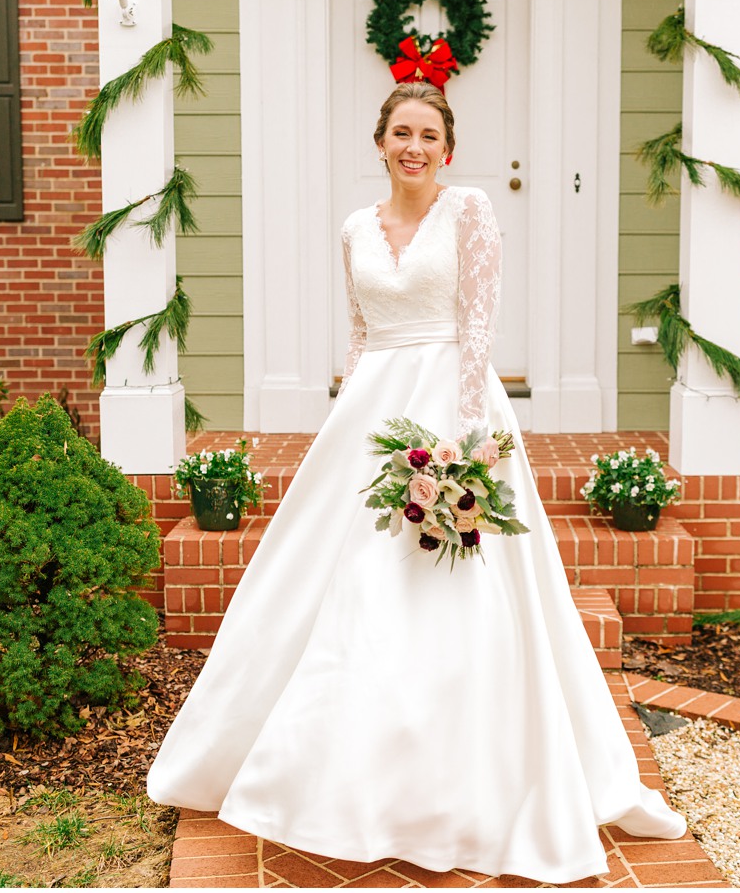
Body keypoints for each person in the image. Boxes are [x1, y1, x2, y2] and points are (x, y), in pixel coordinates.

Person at [146, 81, 688, 884]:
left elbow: (477, 326)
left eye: (428, 135)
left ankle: (461, 791)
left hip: (453, 403)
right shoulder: (354, 228)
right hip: (371, 411)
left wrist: (469, 441)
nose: (413, 146)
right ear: (379, 142)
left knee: (450, 579)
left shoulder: (469, 211)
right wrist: (344, 427)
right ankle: (331, 780)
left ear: (448, 149)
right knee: (345, 583)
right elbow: (361, 335)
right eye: (400, 132)